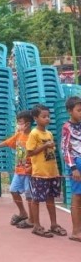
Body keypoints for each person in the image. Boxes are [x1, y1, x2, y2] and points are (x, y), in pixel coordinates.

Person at [0, 111, 34, 229]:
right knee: (13, 190)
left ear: (27, 124)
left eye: (20, 122)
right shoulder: (19, 134)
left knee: (29, 195)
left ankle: (32, 219)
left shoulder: (33, 136)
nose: (18, 125)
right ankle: (23, 213)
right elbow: (7, 142)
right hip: (19, 170)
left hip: (30, 171)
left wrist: (32, 167)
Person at [26, 104, 67, 238]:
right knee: (36, 199)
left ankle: (54, 224)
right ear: (35, 118)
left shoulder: (49, 133)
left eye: (48, 116)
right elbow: (30, 152)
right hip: (40, 173)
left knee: (51, 198)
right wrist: (45, 146)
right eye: (44, 117)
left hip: (51, 172)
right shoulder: (34, 133)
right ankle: (36, 225)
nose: (47, 119)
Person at [60, 96, 81, 243]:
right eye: (79, 110)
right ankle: (75, 231)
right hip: (76, 163)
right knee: (77, 197)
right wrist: (73, 168)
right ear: (69, 111)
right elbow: (64, 149)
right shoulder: (67, 127)